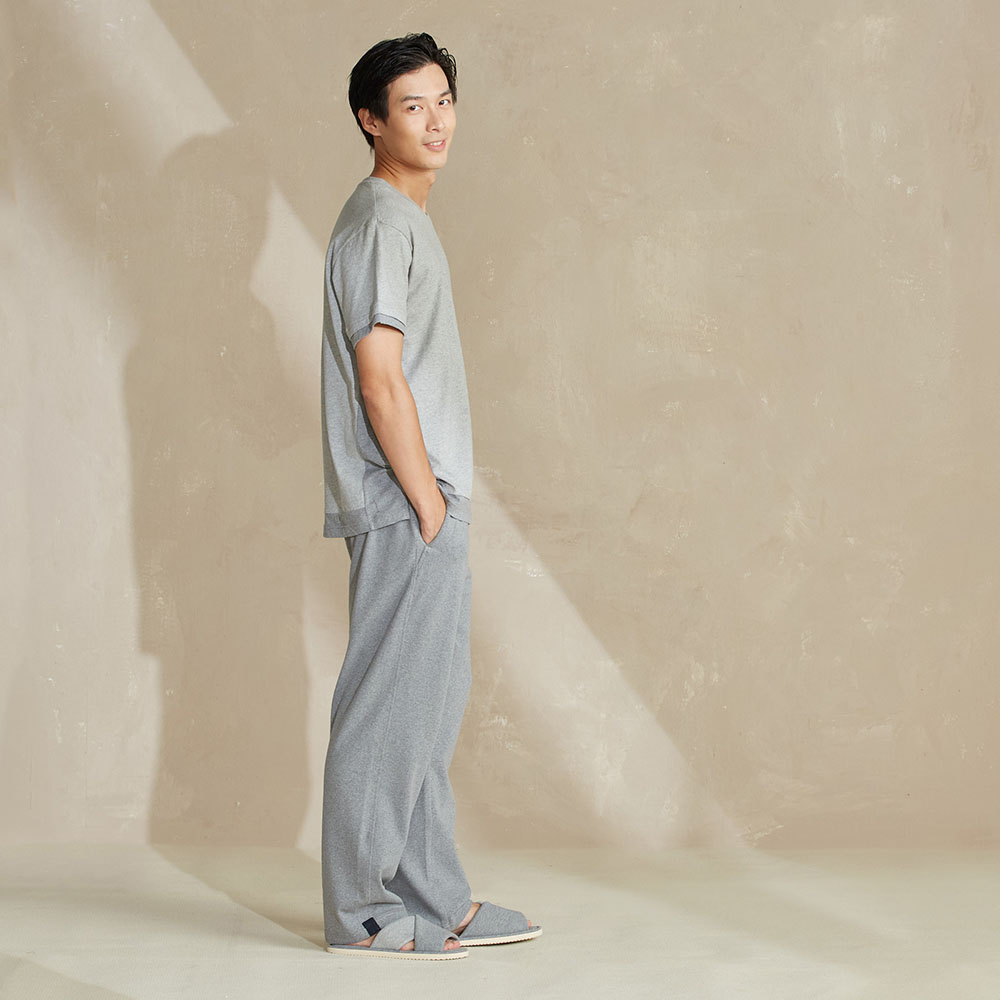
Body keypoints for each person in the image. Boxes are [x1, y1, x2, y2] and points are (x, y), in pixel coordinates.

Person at [319, 33, 542, 961]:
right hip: (407, 499)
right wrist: (429, 502)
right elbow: (379, 379)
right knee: (388, 708)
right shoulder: (380, 221)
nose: (436, 120)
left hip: (421, 498)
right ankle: (361, 912)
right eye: (412, 105)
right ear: (371, 121)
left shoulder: (402, 218)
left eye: (443, 100)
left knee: (425, 707)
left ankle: (434, 898)